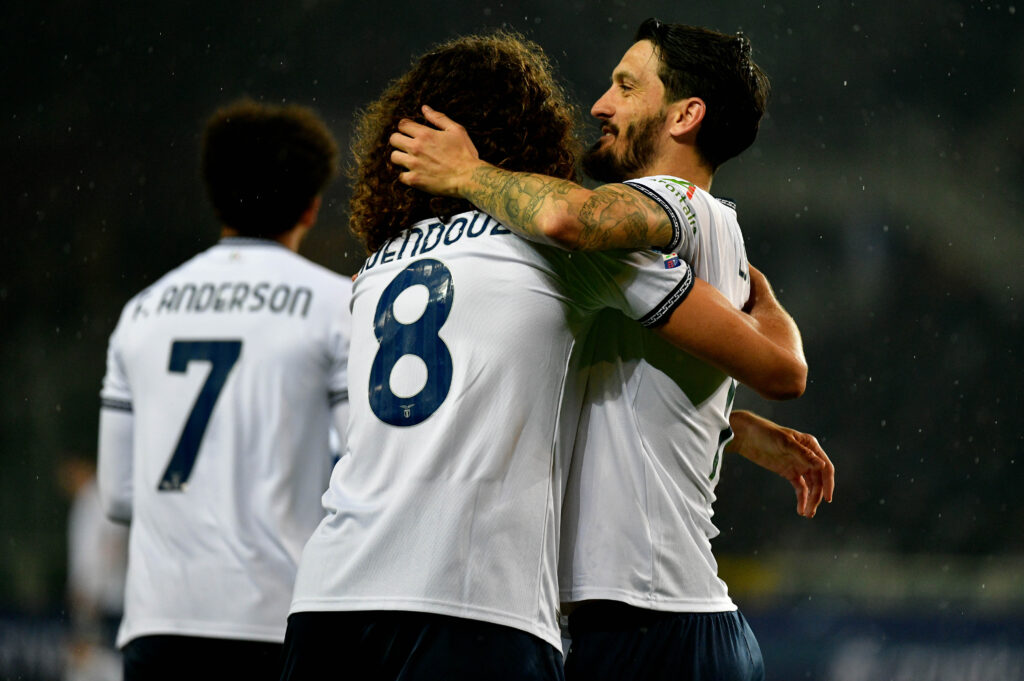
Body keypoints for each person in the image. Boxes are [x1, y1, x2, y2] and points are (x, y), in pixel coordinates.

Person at [282, 32, 804, 681]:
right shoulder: (563, 263)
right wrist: (735, 406)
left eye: (626, 84)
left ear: (684, 114)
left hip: (343, 595)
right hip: (519, 610)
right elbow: (767, 366)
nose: (598, 104)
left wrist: (465, 173)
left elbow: (567, 224)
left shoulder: (379, 269)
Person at [96, 98, 351, 681]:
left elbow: (118, 496)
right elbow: (365, 466)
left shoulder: (141, 312)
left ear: (215, 195)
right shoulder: (338, 306)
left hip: (159, 623)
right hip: (279, 619)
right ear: (311, 207)